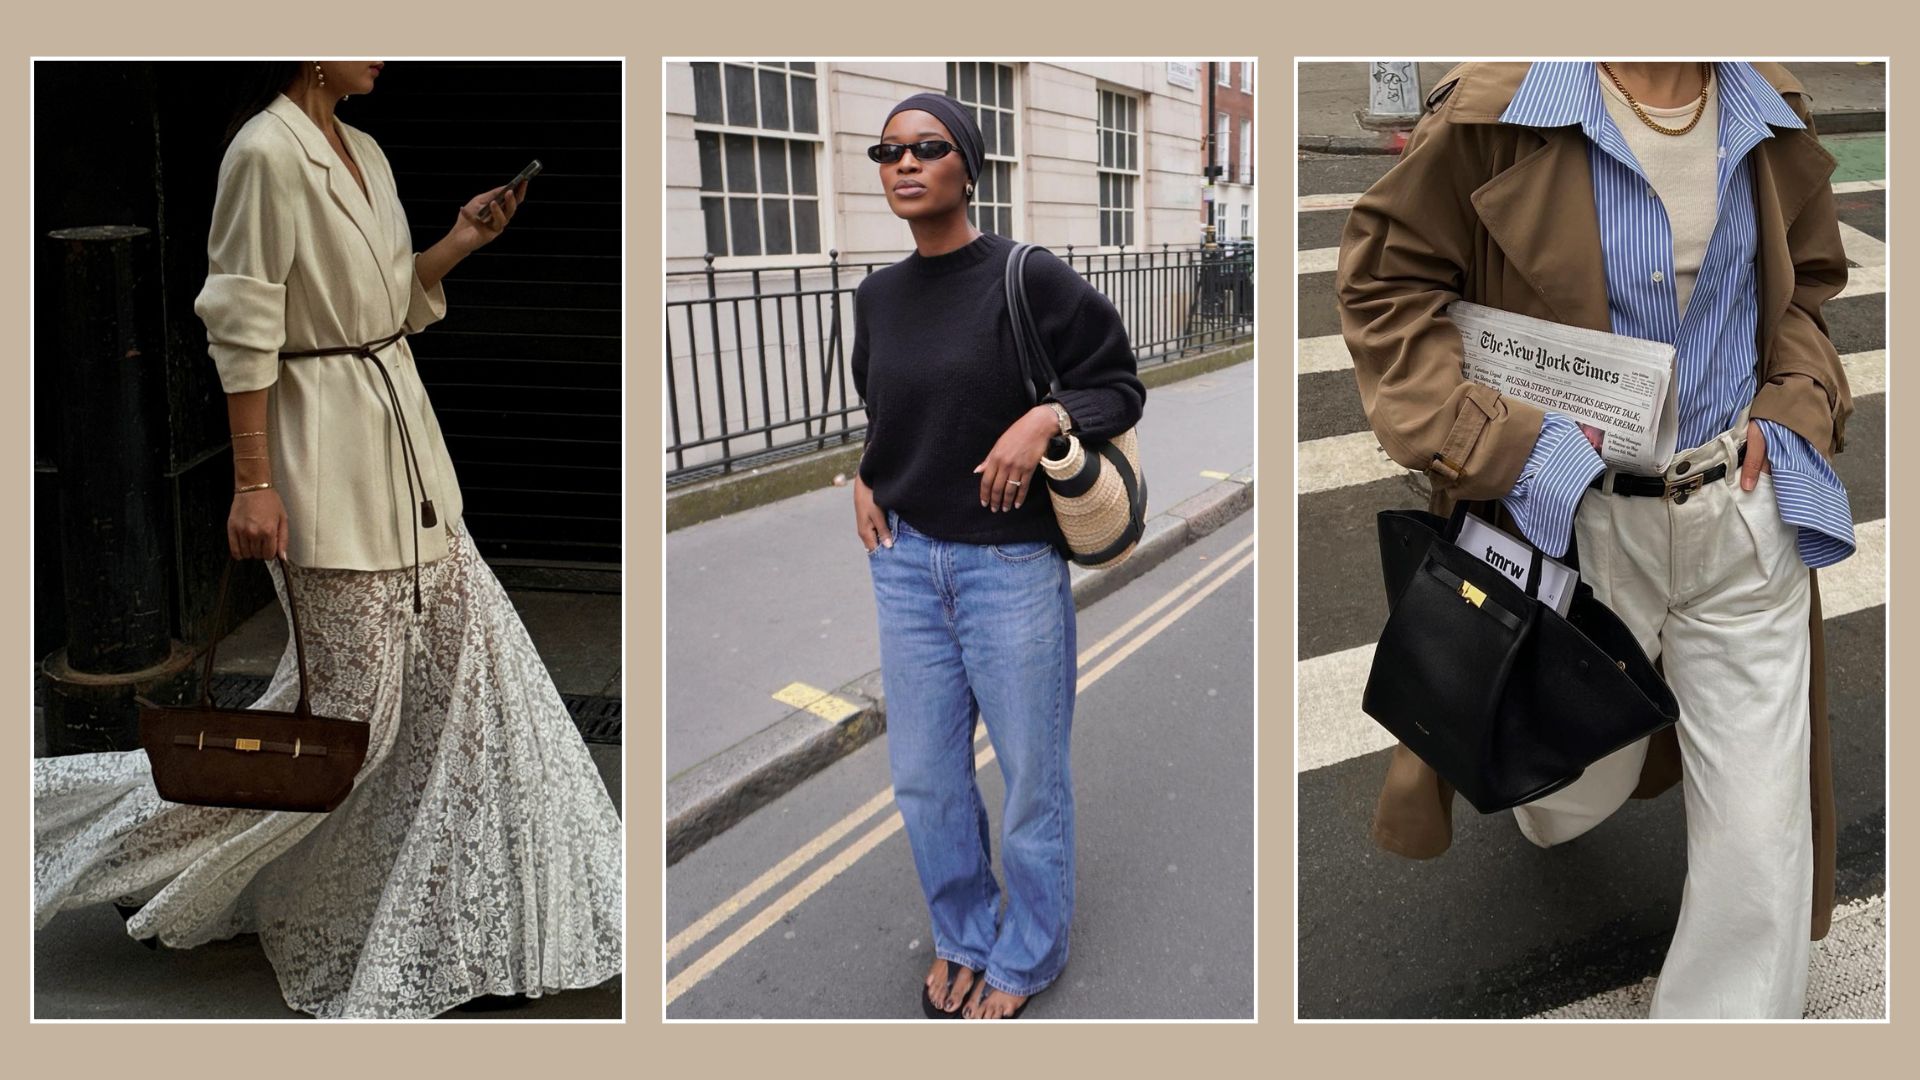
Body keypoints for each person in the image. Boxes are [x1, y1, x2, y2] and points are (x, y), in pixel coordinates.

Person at [32, 61, 624, 1019]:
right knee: (351, 723)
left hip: (411, 462)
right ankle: (94, 846)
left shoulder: (370, 151)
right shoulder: (265, 152)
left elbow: (385, 304)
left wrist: (460, 242)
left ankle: (466, 924)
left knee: (467, 693)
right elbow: (242, 322)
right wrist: (254, 481)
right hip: (319, 466)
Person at [1338, 61, 1856, 1019]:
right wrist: (1506, 448)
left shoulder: (1767, 104)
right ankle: (1556, 781)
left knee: (1761, 838)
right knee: (1565, 780)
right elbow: (1387, 292)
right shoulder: (1496, 109)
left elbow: (1800, 290)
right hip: (1566, 523)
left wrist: (1791, 407)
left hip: (1738, 516)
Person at [850, 92, 1145, 1019]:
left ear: (967, 168)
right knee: (926, 779)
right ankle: (964, 934)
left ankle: (1030, 948)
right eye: (888, 150)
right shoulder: (878, 295)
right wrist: (865, 474)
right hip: (904, 562)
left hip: (1009, 568)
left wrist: (1046, 416)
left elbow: (1118, 384)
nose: (904, 164)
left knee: (1029, 779)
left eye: (927, 148)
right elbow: (887, 409)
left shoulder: (1028, 276)